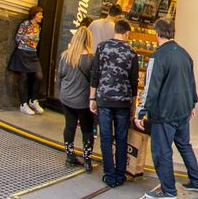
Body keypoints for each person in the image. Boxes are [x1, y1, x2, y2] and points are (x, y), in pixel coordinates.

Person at [135, 17, 198, 199]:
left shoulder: (158, 56)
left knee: (161, 151)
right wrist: (192, 103)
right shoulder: (185, 54)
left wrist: (140, 111)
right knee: (184, 146)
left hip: (164, 113)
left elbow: (151, 86)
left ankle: (168, 190)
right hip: (183, 110)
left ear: (156, 33)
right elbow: (191, 81)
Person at [90, 18, 139, 188]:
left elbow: (95, 74)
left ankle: (109, 174)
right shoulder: (132, 52)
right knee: (121, 137)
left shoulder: (102, 47)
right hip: (123, 101)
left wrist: (92, 98)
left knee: (105, 137)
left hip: (103, 98)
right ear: (126, 33)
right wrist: (134, 106)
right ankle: (120, 173)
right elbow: (134, 82)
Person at [56, 25, 95, 171]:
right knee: (87, 130)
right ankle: (87, 160)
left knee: (69, 126)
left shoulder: (66, 55)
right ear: (88, 40)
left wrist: (62, 93)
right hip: (83, 100)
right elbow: (93, 81)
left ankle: (69, 156)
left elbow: (59, 76)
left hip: (67, 97)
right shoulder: (91, 58)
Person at [8, 6, 45, 115]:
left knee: (39, 76)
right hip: (22, 52)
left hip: (32, 53)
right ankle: (23, 104)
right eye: (40, 14)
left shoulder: (38, 27)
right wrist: (29, 36)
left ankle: (33, 100)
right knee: (23, 78)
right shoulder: (25, 24)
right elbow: (18, 38)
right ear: (34, 14)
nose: (41, 17)